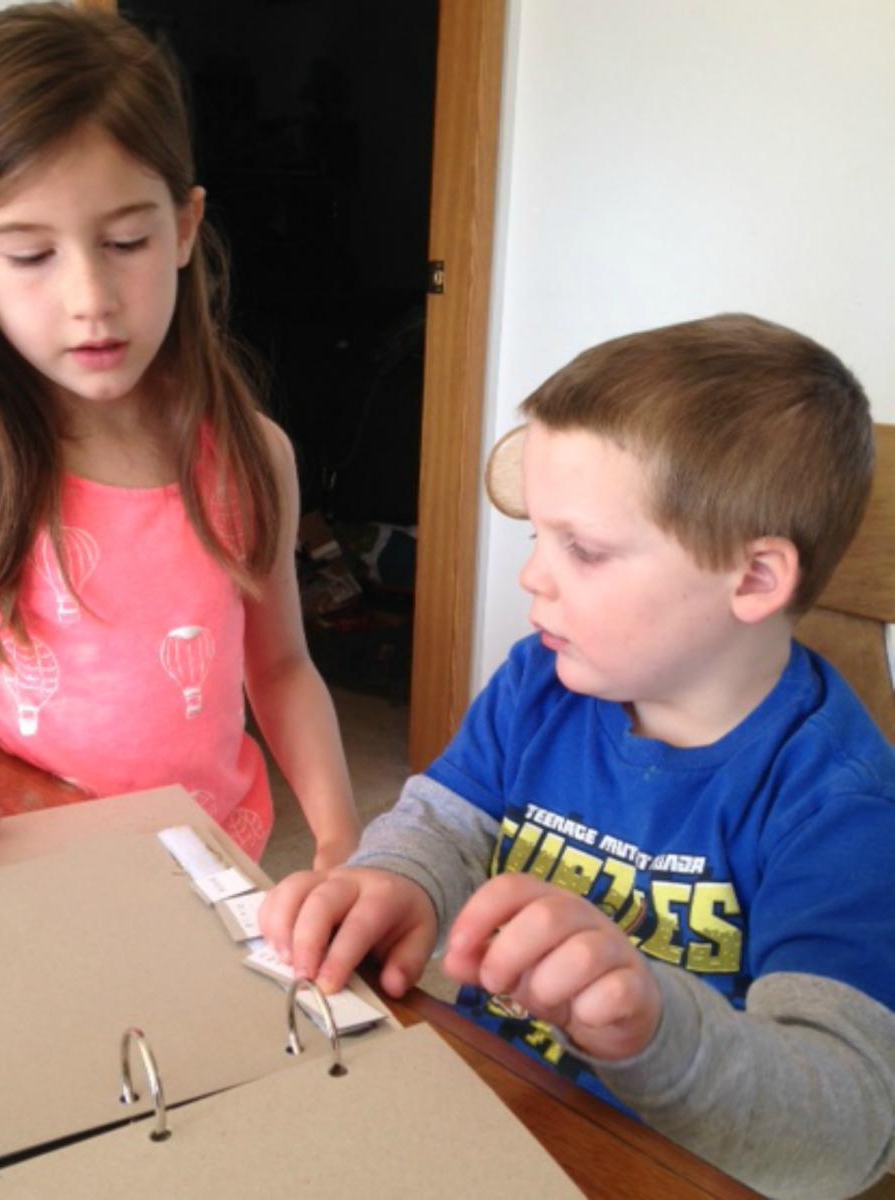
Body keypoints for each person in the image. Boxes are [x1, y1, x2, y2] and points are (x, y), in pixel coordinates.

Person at [261, 314, 895, 1198]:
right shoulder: (542, 683)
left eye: (583, 549)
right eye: (537, 534)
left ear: (752, 580)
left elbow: (850, 1131)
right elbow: (443, 821)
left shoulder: (839, 803)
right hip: (499, 1110)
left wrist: (654, 1030)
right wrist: (393, 880)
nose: (532, 576)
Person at [0, 3, 359, 897]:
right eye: (30, 254)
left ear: (182, 228)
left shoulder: (254, 455)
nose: (91, 297)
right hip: (37, 864)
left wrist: (338, 839)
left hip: (222, 859)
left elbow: (280, 666)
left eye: (125, 241)